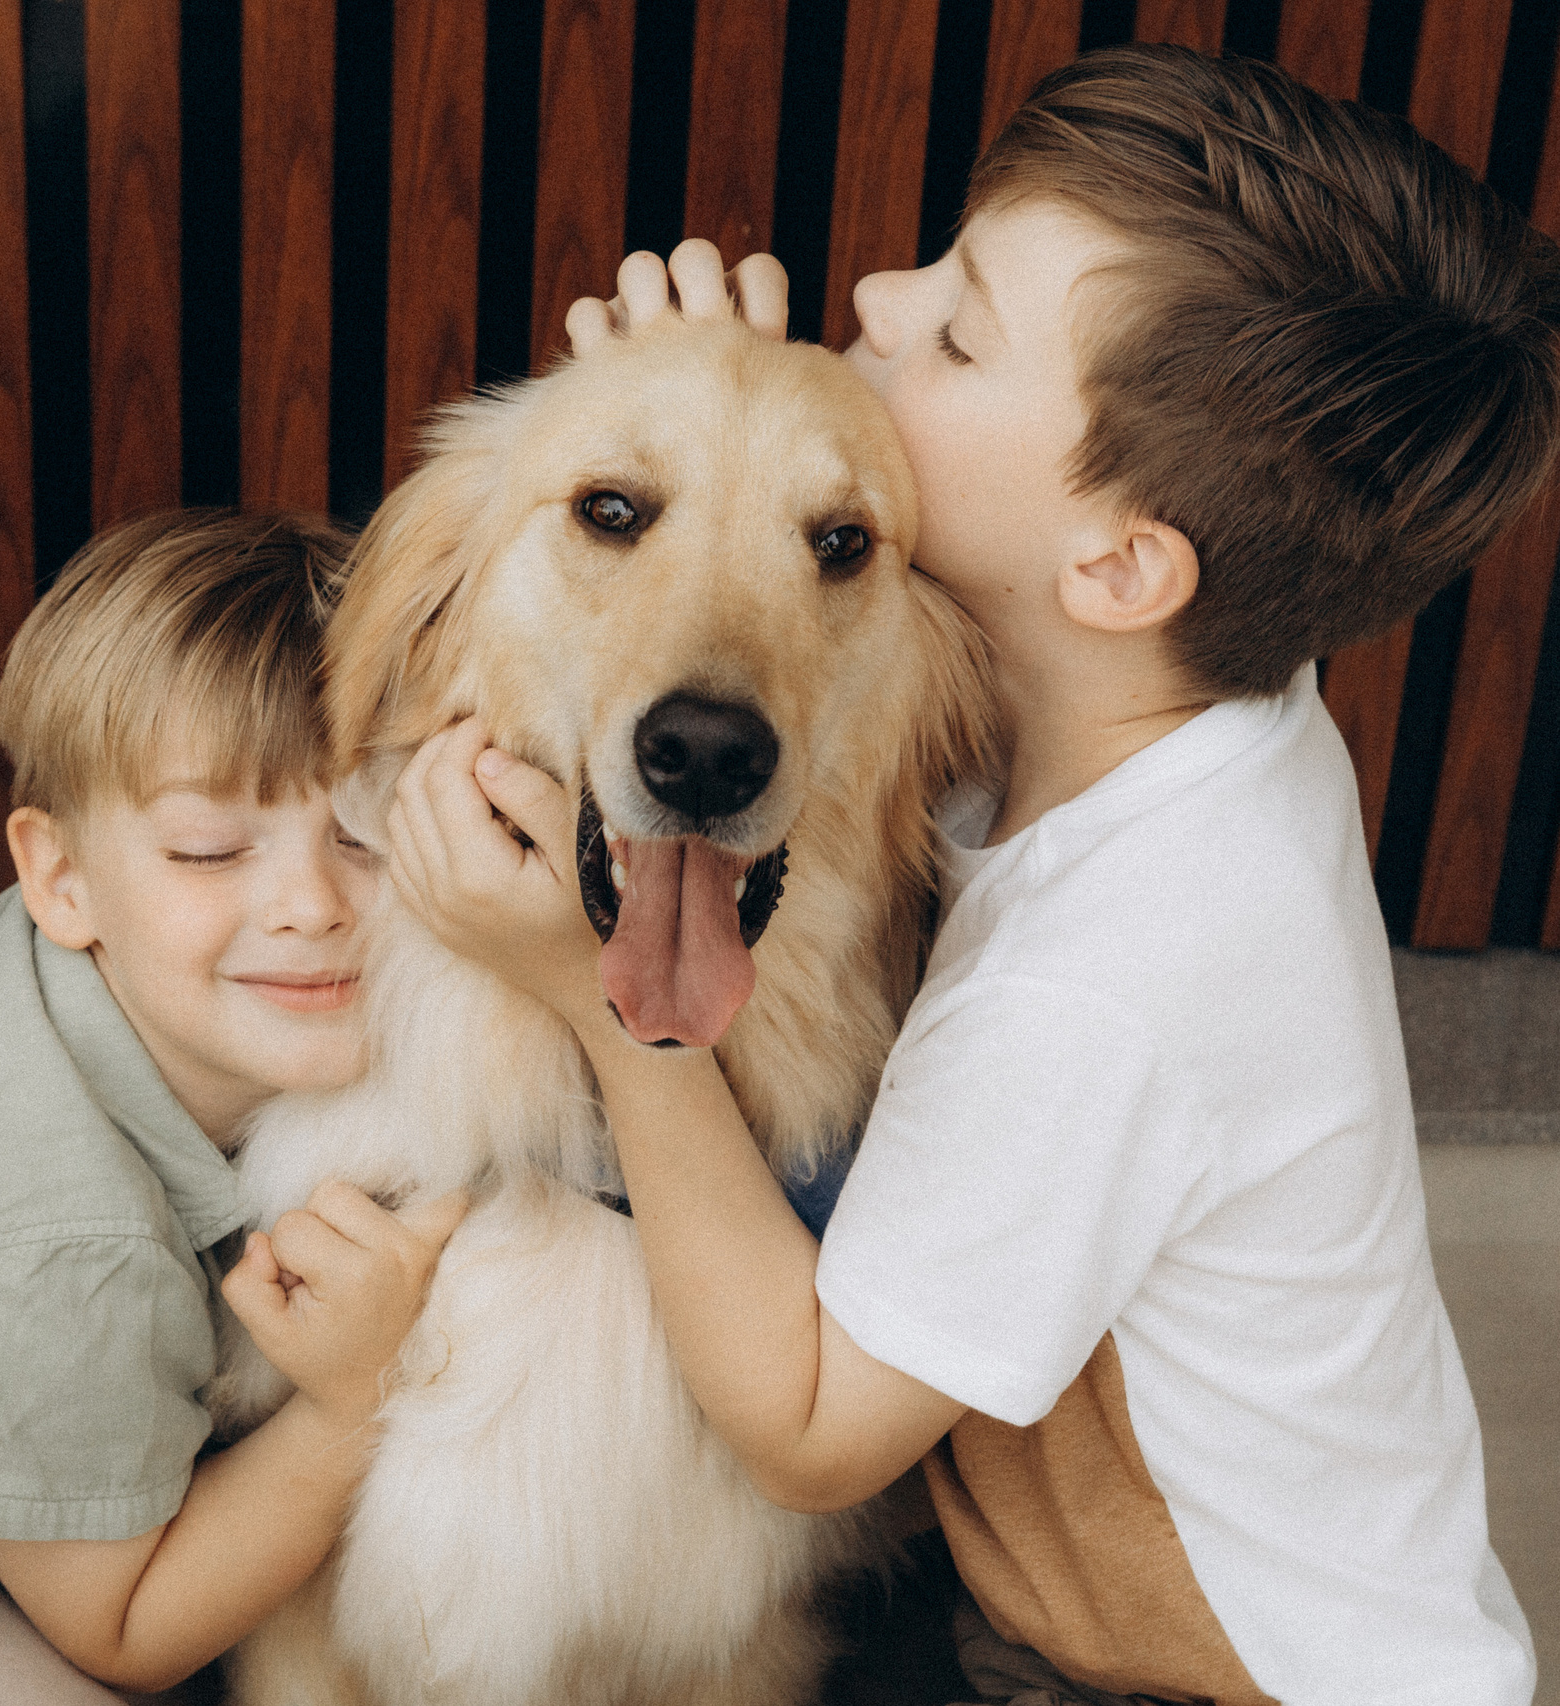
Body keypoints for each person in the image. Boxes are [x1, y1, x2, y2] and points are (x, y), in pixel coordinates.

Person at [385, 46, 1559, 1706]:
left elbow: (802, 1424)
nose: (870, 285)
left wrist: (591, 1001)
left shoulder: (1107, 981)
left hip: (1171, 1679)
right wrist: (707, 414)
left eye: (954, 327)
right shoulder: (1184, 675)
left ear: (1118, 559)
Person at [0, 510, 467, 1703]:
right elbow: (124, 1625)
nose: (308, 904)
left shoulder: (152, 969)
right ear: (59, 879)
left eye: (364, 833)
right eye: (205, 851)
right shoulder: (49, 1245)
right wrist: (352, 1392)